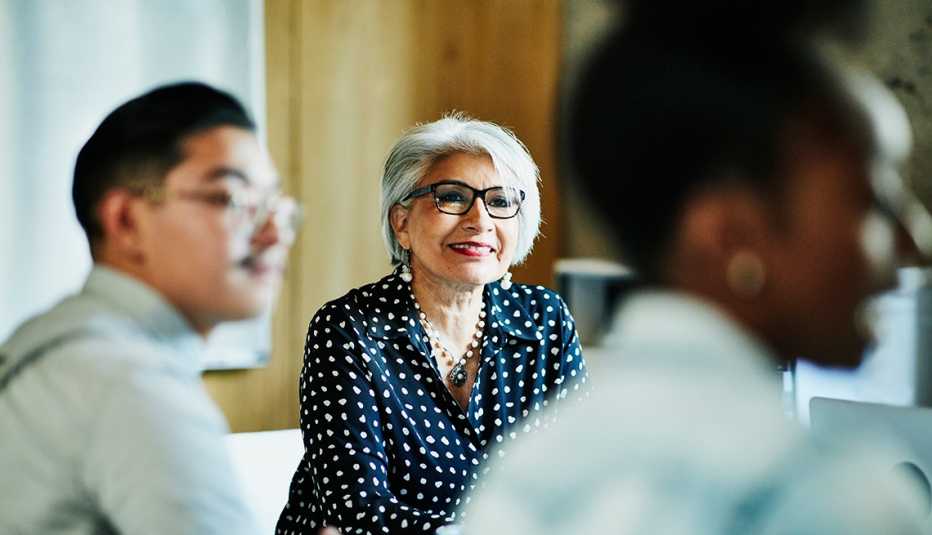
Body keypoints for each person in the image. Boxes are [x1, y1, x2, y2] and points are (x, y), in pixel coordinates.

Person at [464, 2, 930, 534]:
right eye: (871, 200)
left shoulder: (524, 475)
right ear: (732, 235)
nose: (914, 242)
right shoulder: (837, 500)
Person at [0, 82, 300, 534]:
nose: (274, 234)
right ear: (125, 221)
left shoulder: (55, 338)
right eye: (233, 200)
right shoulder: (126, 380)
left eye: (274, 205)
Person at [276, 114, 589, 534]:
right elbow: (357, 507)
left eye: (500, 201)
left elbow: (578, 478)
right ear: (401, 222)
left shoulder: (545, 320)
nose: (480, 220)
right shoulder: (349, 329)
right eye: (453, 197)